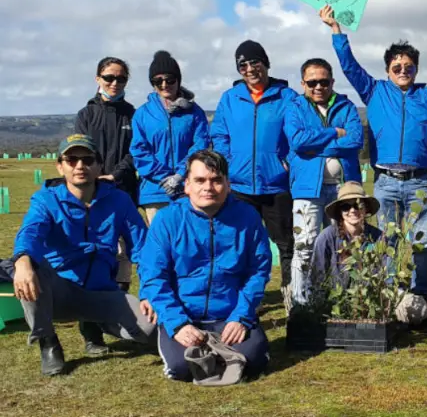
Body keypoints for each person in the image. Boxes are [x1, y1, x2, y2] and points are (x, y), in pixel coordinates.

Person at [319, 5, 427, 299]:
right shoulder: (373, 91)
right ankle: (389, 292)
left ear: (416, 70)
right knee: (387, 241)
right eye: (397, 68)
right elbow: (350, 67)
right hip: (385, 182)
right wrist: (337, 31)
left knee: (420, 242)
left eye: (409, 67)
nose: (403, 71)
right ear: (388, 70)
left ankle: (419, 292)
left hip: (419, 182)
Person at [4, 134, 156, 376]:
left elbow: (143, 249)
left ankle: (95, 324)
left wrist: (149, 292)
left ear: (98, 165)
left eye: (87, 159)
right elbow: (30, 233)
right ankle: (48, 341)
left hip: (102, 291)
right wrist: (22, 261)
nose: (79, 166)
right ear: (60, 165)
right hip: (58, 292)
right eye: (71, 159)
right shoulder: (46, 199)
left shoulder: (119, 200)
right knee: (31, 267)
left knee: (149, 329)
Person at [139, 150, 272, 383]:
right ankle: (176, 339)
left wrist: (241, 317)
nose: (208, 187)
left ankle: (225, 352)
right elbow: (153, 277)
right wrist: (177, 324)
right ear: (187, 185)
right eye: (200, 180)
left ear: (228, 184)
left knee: (254, 360)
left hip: (229, 314)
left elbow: (258, 271)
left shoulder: (247, 218)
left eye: (216, 180)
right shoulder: (167, 220)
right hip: (184, 314)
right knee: (181, 368)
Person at [210, 40, 298, 309]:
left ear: (266, 63)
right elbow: (219, 134)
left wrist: (287, 162)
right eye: (243, 65)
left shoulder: (287, 96)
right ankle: (245, 301)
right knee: (240, 245)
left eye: (255, 62)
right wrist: (229, 163)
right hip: (239, 186)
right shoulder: (229, 98)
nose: (249, 69)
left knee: (286, 244)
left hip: (276, 186)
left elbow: (298, 136)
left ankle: (292, 297)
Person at [283, 57, 364, 307]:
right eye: (312, 82)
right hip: (308, 189)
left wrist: (314, 146)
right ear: (303, 83)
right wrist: (332, 133)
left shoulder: (347, 106)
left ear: (332, 82)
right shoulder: (295, 107)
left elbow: (355, 140)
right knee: (305, 245)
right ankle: (300, 302)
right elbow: (297, 141)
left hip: (343, 190)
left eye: (324, 81)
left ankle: (338, 298)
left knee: (344, 244)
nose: (318, 87)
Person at [74, 56, 139, 353]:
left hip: (124, 195)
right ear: (97, 77)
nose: (114, 84)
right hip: (92, 196)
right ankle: (91, 334)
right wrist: (96, 176)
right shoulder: (86, 114)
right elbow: (81, 150)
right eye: (109, 77)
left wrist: (118, 173)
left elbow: (137, 151)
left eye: (121, 79)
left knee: (123, 260)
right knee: (94, 260)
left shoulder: (132, 114)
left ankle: (116, 320)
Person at [306, 182, 427, 326]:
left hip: (375, 298)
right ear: (340, 212)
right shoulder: (326, 237)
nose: (353, 210)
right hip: (338, 300)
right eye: (346, 207)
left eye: (357, 205)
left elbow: (389, 275)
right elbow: (316, 277)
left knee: (415, 306)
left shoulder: (379, 237)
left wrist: (390, 296)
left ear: (366, 209)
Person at [130, 51, 210, 224]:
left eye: (170, 79)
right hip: (155, 191)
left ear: (178, 80)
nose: (164, 84)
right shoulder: (142, 114)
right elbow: (139, 152)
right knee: (162, 245)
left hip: (190, 188)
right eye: (158, 81)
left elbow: (200, 146)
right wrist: (165, 177)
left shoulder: (195, 113)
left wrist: (180, 175)